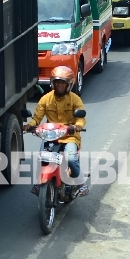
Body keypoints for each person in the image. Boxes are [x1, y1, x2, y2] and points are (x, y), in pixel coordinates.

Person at [24, 65, 88, 196]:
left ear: (68, 84)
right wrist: (30, 125)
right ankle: (38, 183)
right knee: (41, 158)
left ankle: (81, 184)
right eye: (57, 82)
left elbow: (81, 118)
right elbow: (37, 117)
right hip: (50, 135)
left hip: (69, 136)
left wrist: (78, 126)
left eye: (62, 83)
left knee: (71, 159)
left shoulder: (75, 99)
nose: (59, 85)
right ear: (52, 83)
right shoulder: (46, 99)